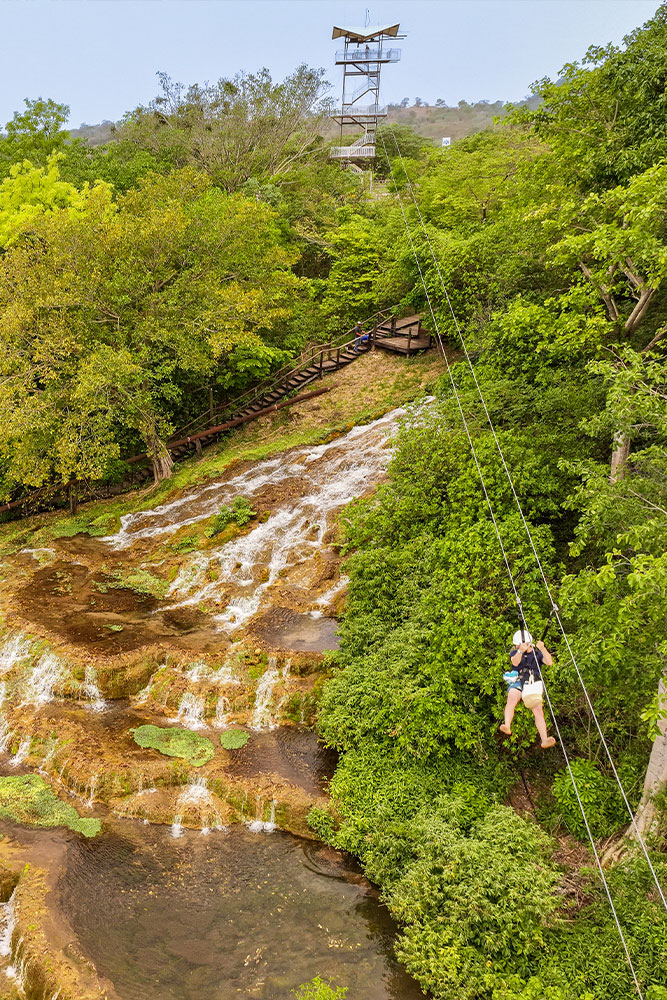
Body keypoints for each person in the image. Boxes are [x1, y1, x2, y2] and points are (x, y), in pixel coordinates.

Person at [500, 630, 556, 748]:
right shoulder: (515, 652)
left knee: (538, 710)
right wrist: (520, 651)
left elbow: (549, 662)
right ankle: (507, 725)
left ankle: (544, 739)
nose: (516, 647)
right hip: (518, 680)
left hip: (532, 682)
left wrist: (543, 649)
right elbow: (515, 662)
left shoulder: (537, 654)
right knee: (512, 698)